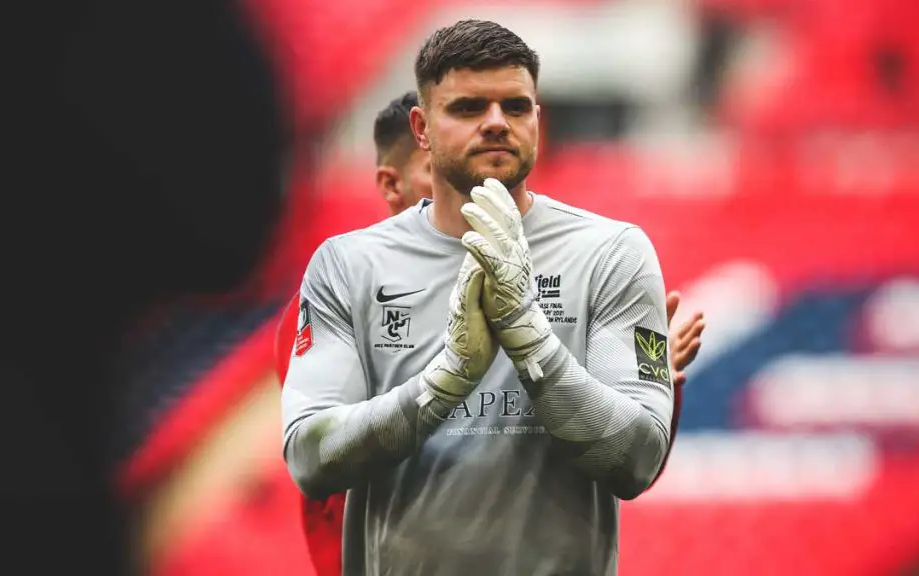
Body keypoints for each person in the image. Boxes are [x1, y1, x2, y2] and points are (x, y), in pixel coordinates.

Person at [282, 23, 703, 570]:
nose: (497, 123)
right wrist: (448, 378)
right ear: (423, 127)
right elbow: (311, 458)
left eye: (516, 106)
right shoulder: (347, 266)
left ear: (537, 120)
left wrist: (529, 336)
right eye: (468, 107)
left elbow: (637, 458)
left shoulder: (614, 254)